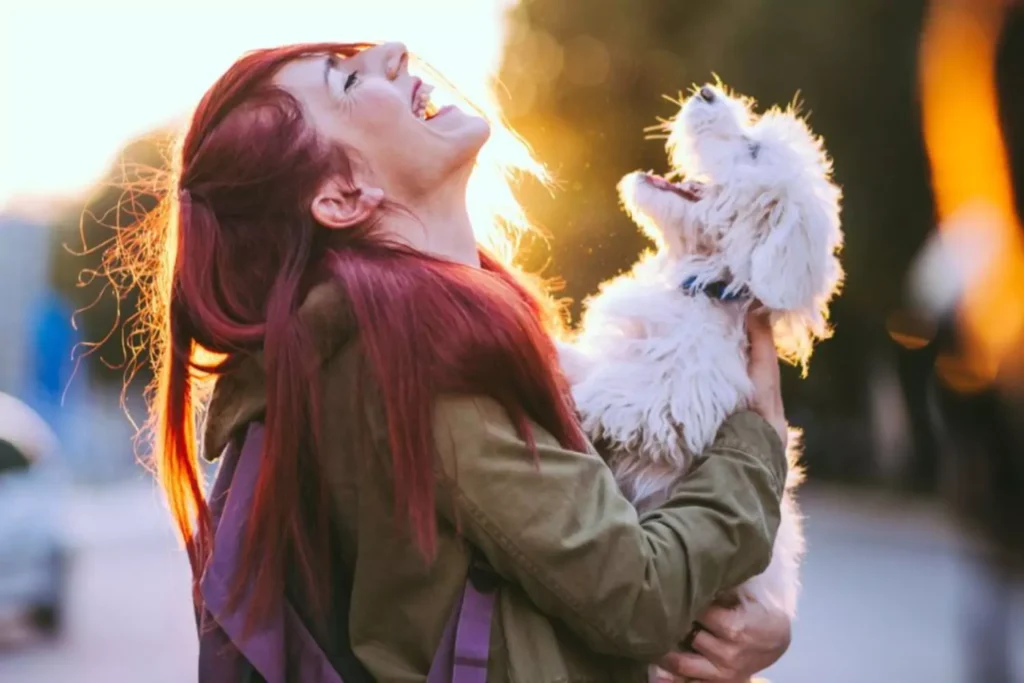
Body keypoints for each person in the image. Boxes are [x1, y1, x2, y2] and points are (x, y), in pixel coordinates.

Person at [135, 41, 792, 682]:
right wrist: (755, 441)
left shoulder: (401, 340)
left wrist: (743, 623)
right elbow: (640, 593)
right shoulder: (417, 365)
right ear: (342, 196)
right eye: (349, 81)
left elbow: (565, 575)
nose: (392, 52)